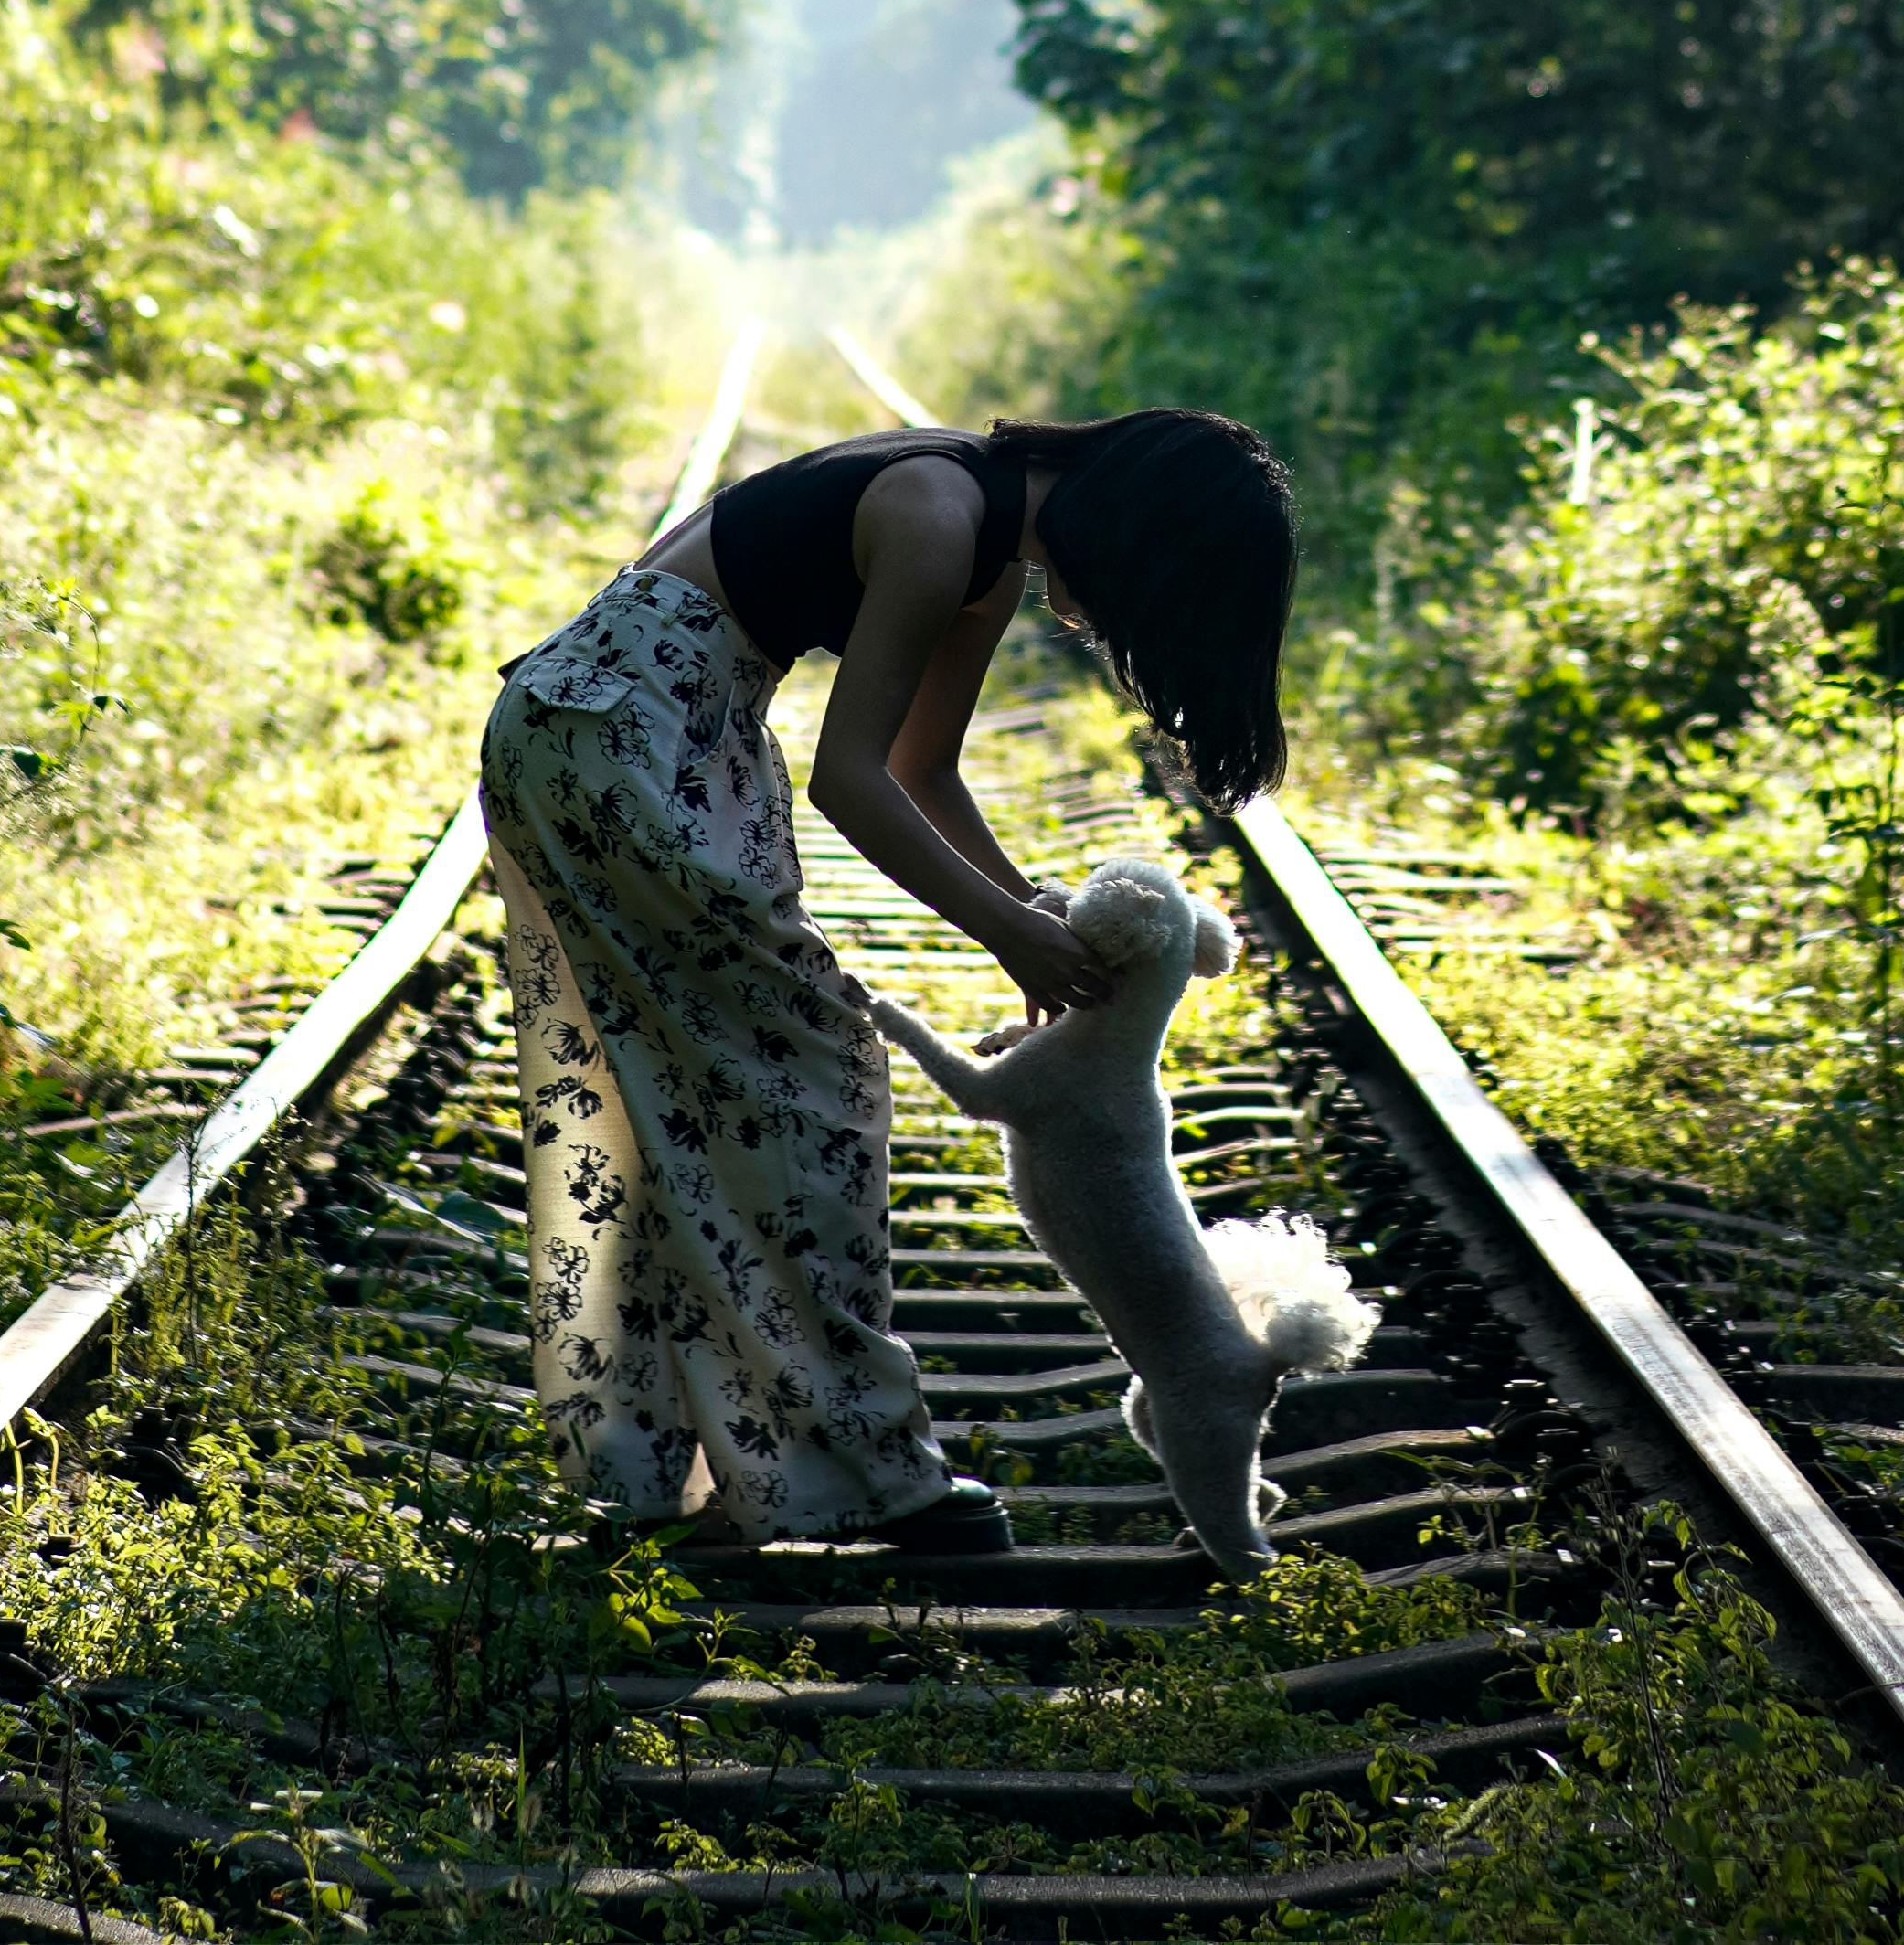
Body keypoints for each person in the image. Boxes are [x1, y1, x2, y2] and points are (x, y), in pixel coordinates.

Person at [478, 401, 1297, 1559]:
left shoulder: (983, 551)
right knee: (807, 1083)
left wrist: (1030, 913)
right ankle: (863, 1474)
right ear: (1136, 530)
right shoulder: (935, 509)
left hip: (640, 730)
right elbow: (850, 780)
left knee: (703, 1104)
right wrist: (1011, 937)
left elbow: (926, 768)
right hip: (623, 737)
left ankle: (676, 1478)